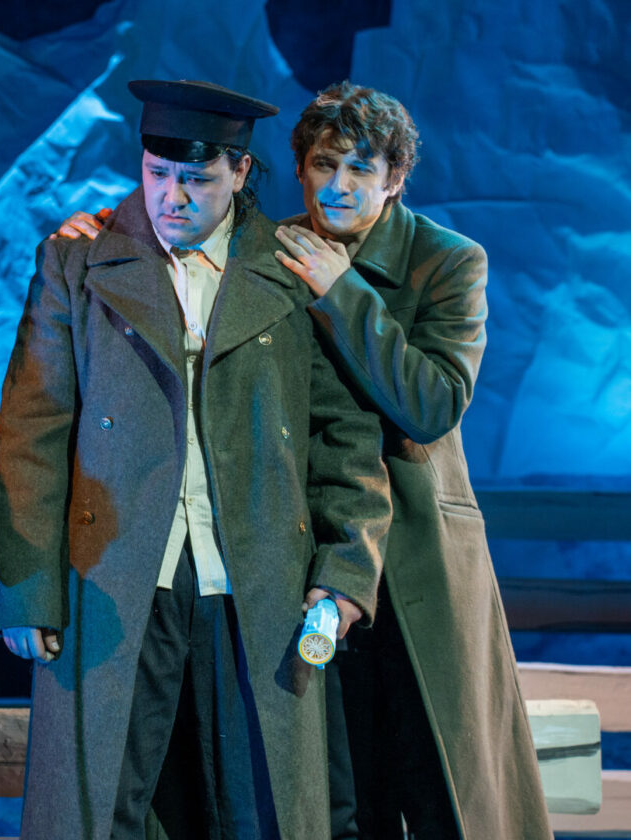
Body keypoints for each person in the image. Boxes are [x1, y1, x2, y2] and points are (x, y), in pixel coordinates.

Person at [0, 78, 392, 840]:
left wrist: (344, 572)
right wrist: (27, 589)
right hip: (116, 580)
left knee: (258, 806)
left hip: (254, 584)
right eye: (158, 173)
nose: (173, 197)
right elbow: (31, 434)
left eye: (198, 179)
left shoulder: (294, 269)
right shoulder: (78, 263)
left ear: (240, 172)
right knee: (104, 806)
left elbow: (344, 437)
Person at [272, 81, 550, 840]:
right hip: (313, 546)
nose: (338, 186)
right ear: (299, 167)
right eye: (324, 164)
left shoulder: (447, 260)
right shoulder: (274, 249)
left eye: (360, 169)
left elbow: (431, 405)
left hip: (417, 551)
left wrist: (343, 290)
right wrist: (96, 230)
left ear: (394, 179)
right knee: (338, 789)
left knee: (440, 786)